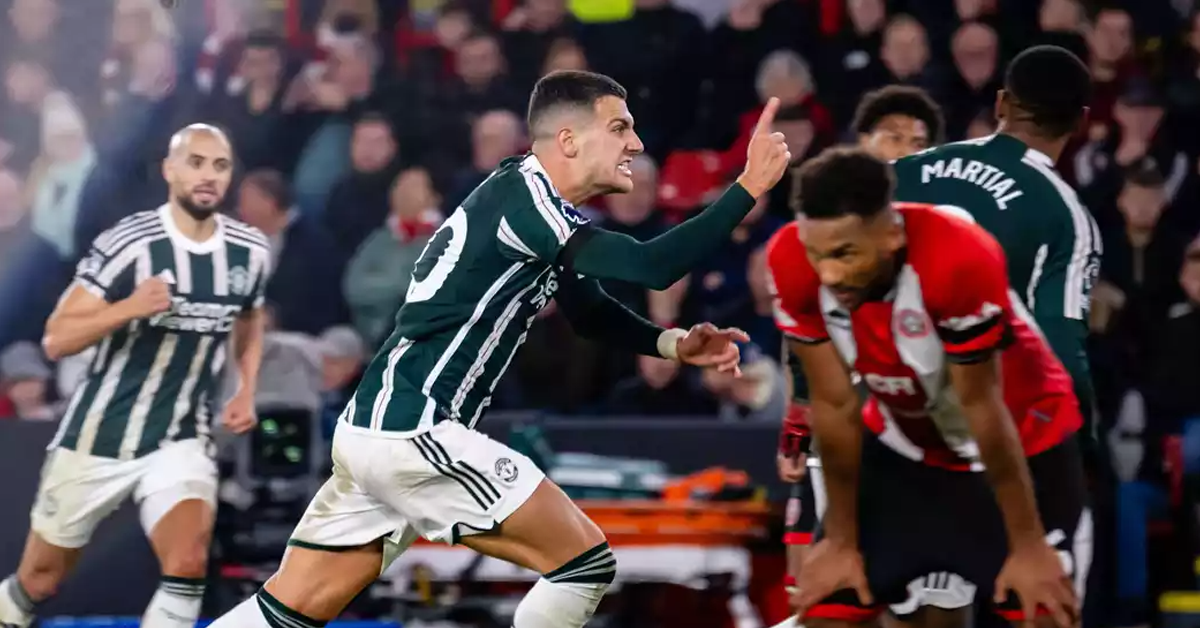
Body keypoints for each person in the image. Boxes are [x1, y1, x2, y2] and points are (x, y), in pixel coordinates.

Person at [208, 69, 791, 628]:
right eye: (619, 128)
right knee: (583, 562)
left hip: (376, 429)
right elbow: (653, 265)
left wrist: (670, 343)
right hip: (418, 429)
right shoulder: (530, 204)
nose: (635, 144)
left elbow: (588, 311)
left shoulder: (527, 200)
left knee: (287, 610)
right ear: (569, 140)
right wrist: (747, 189)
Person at [773, 147, 1087, 628]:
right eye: (818, 255)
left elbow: (982, 407)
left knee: (1043, 611)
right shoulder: (791, 259)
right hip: (905, 449)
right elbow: (834, 405)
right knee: (828, 609)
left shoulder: (957, 256)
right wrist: (840, 541)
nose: (829, 274)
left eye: (845, 254)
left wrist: (1027, 545)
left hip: (1022, 444)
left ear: (891, 234)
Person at [0, 124, 268, 628]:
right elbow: (56, 339)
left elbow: (251, 317)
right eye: (195, 163)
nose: (208, 176)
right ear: (170, 171)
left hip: (181, 435)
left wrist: (245, 388)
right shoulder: (131, 242)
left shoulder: (249, 249)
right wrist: (128, 308)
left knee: (187, 563)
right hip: (99, 434)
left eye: (220, 165)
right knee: (39, 581)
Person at [773, 85, 969, 628]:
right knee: (822, 587)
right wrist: (796, 424)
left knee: (931, 603)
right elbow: (801, 337)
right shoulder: (819, 224)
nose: (905, 149)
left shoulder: (949, 231)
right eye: (893, 136)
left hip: (928, 437)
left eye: (918, 141)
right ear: (863, 142)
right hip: (845, 431)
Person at [890, 45, 1101, 451]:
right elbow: (1061, 348)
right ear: (1080, 122)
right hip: (978, 425)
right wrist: (1085, 443)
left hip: (879, 406)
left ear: (1001, 103)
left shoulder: (902, 170)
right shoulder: (1067, 216)